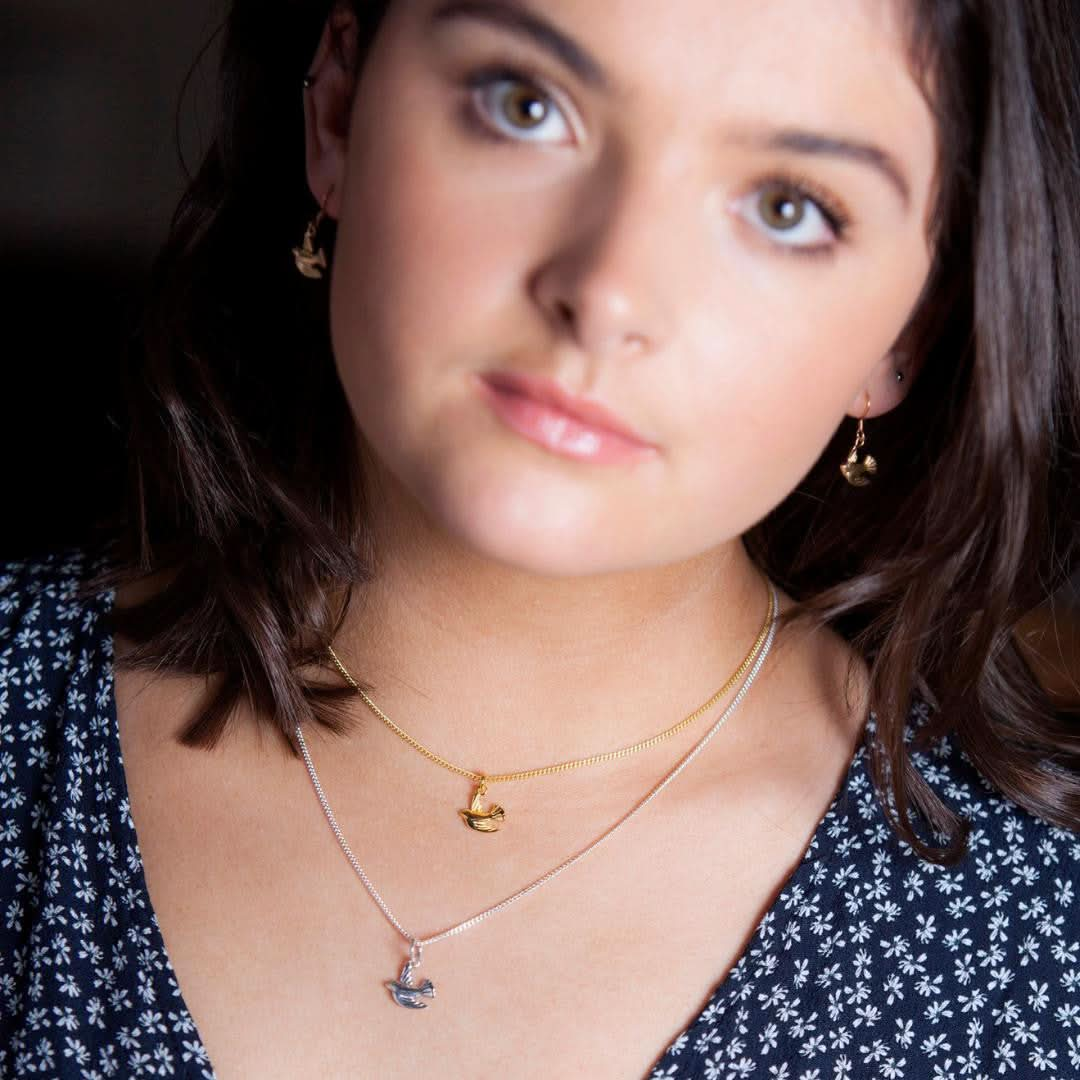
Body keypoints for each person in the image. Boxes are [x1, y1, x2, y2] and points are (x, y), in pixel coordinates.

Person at [2, 1, 1078, 1077]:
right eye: (525, 106)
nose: (607, 293)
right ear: (338, 110)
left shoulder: (1044, 955)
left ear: (905, 333)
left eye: (788, 207)